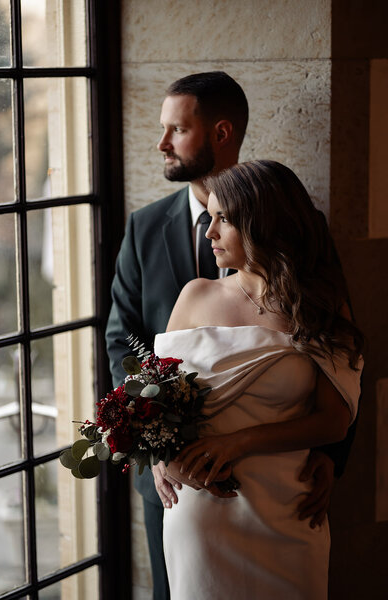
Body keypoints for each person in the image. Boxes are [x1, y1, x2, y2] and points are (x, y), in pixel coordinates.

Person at [105, 72, 357, 600]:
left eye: (177, 129)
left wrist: (331, 456)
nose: (162, 143)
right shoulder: (145, 228)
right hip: (179, 488)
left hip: (286, 493)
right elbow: (125, 344)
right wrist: (157, 450)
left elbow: (336, 364)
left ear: (221, 132)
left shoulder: (302, 233)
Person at [153, 160, 363, 600]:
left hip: (289, 508)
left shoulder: (320, 306)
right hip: (202, 513)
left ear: (263, 222)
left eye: (223, 219)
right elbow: (153, 399)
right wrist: (158, 457)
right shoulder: (196, 295)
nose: (209, 232)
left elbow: (333, 421)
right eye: (209, 217)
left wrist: (239, 442)